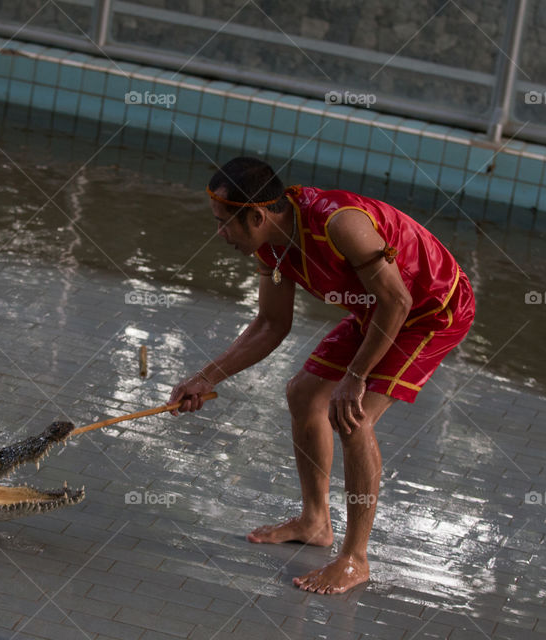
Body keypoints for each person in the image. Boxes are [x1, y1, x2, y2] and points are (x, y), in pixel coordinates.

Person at [169, 157, 475, 594]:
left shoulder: (339, 225)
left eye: (224, 223)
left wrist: (356, 377)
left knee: (353, 418)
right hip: (376, 308)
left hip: (430, 310)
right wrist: (207, 376)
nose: (220, 234)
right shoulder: (269, 244)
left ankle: (355, 558)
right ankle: (315, 522)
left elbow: (398, 303)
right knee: (303, 394)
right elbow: (271, 324)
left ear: (256, 215)